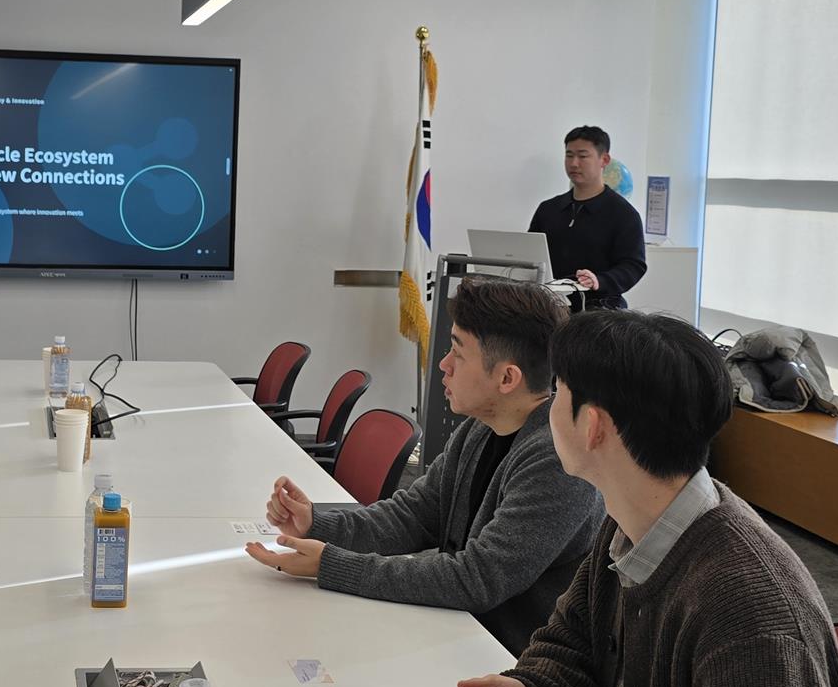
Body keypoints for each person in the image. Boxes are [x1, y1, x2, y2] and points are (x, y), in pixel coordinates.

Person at [433, 311, 838, 687]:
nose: (547, 408)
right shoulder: (631, 521)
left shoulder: (749, 614)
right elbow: (572, 645)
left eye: (559, 392)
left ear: (593, 426)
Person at [245, 278, 605, 653]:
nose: (444, 365)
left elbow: (478, 579)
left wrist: (332, 566)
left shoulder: (557, 461)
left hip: (510, 659)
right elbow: (415, 515)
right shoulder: (481, 429)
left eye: (458, 353)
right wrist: (316, 525)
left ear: (506, 378)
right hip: (456, 629)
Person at [527, 126, 646, 311]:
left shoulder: (623, 214)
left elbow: (633, 265)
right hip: (547, 307)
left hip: (599, 310)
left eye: (583, 156)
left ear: (604, 160)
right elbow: (531, 254)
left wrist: (600, 280)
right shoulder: (548, 209)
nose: (574, 163)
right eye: (569, 155)